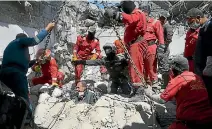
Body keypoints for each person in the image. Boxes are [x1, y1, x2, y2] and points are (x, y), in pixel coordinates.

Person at [145, 55, 212, 129]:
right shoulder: (197, 77)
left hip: (189, 123)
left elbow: (162, 99)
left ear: (175, 69)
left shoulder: (177, 80)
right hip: (208, 120)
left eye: (171, 68)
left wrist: (149, 93)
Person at [0, 22, 55, 111]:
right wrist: (47, 29)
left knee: (15, 97)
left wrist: (36, 61)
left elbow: (25, 64)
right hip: (16, 74)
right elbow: (35, 40)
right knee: (24, 99)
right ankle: (27, 120)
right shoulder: (20, 41)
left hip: (5, 74)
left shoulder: (12, 47)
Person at [104, 1, 148, 93]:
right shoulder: (134, 14)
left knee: (135, 67)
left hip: (136, 44)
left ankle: (139, 91)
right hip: (133, 44)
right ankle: (136, 89)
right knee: (133, 67)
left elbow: (131, 19)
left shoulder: (137, 13)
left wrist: (117, 14)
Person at [140, 5, 165, 88]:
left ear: (148, 14)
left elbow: (161, 37)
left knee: (151, 68)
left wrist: (161, 49)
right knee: (142, 68)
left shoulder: (155, 22)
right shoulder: (138, 24)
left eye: (145, 14)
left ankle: (154, 86)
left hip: (151, 47)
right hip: (140, 48)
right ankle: (144, 86)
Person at [193, 8, 212, 104]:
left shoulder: (210, 27)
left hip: (208, 65)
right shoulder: (204, 28)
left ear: (198, 18)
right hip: (204, 66)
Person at [158, 12, 174, 89]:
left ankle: (166, 84)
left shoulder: (167, 26)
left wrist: (164, 44)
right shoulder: (162, 25)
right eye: (160, 18)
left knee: (164, 66)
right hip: (161, 48)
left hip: (164, 48)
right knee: (162, 65)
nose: (161, 19)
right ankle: (165, 83)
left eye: (163, 18)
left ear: (166, 18)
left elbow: (169, 38)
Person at [184, 8, 202, 72]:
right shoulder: (189, 31)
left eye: (191, 20)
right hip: (188, 60)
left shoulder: (202, 32)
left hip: (197, 62)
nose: (189, 23)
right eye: (188, 21)